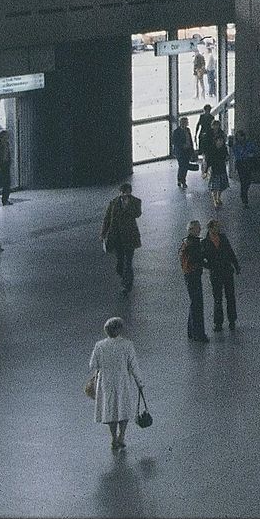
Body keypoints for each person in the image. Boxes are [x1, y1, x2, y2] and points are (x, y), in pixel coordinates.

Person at [85, 318, 146, 454]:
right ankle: (122, 436)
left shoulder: (99, 345)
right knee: (122, 409)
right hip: (122, 381)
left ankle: (113, 438)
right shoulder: (127, 345)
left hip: (105, 382)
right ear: (119, 329)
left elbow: (92, 365)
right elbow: (133, 365)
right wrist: (140, 382)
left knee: (110, 410)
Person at [100, 183, 143, 294]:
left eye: (127, 192)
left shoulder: (136, 201)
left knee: (128, 262)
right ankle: (124, 277)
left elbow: (137, 214)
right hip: (117, 237)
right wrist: (103, 233)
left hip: (130, 237)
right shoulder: (113, 203)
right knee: (120, 263)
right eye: (123, 192)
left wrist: (127, 206)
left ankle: (127, 284)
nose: (124, 194)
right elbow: (107, 219)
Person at [204, 219, 240, 332]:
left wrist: (236, 265)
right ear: (210, 228)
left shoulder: (223, 238)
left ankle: (232, 320)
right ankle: (218, 322)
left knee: (230, 297)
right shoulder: (205, 243)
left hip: (226, 271)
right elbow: (202, 258)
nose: (218, 229)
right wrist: (209, 266)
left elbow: (230, 252)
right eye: (216, 227)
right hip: (216, 273)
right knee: (218, 299)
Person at [178, 220, 210, 342]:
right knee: (197, 304)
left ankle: (191, 331)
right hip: (193, 275)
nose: (200, 229)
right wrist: (209, 264)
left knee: (194, 302)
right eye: (198, 228)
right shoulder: (194, 244)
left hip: (189, 275)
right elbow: (197, 259)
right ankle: (198, 333)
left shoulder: (186, 242)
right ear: (192, 229)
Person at [230, 128, 259, 206]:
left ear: (244, 136)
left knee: (248, 180)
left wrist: (252, 154)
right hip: (240, 164)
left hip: (248, 163)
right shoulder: (236, 146)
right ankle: (244, 198)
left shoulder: (249, 143)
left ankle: (244, 193)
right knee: (243, 180)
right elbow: (237, 156)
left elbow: (256, 150)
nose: (239, 138)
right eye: (238, 137)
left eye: (241, 136)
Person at [205, 127, 229, 209]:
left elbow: (226, 156)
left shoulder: (224, 149)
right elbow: (209, 160)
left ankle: (218, 197)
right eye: (219, 141)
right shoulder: (212, 149)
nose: (220, 142)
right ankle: (215, 200)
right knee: (215, 186)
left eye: (222, 141)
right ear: (215, 141)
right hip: (215, 169)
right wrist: (206, 170)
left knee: (221, 186)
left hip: (222, 168)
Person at [171, 116, 195, 189]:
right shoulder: (176, 131)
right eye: (184, 122)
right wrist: (182, 145)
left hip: (187, 151)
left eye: (186, 122)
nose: (186, 124)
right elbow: (174, 142)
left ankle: (181, 179)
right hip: (180, 152)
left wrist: (192, 150)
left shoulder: (188, 130)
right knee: (182, 166)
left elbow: (190, 140)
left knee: (184, 166)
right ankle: (182, 180)